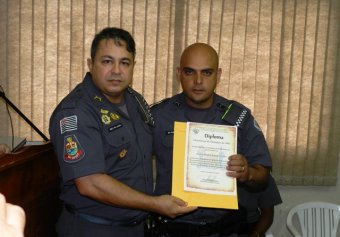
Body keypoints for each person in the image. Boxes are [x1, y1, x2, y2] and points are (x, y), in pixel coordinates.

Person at [49, 27, 196, 237]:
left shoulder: (134, 100)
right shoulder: (76, 111)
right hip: (93, 229)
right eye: (107, 61)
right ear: (91, 64)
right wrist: (155, 204)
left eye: (124, 62)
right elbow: (90, 183)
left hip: (134, 227)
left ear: (133, 66)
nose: (116, 70)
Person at [151, 43, 272, 237]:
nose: (198, 81)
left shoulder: (239, 117)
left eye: (207, 73)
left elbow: (263, 175)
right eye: (190, 72)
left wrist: (247, 173)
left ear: (219, 75)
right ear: (179, 73)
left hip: (223, 228)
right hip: (172, 228)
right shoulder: (157, 116)